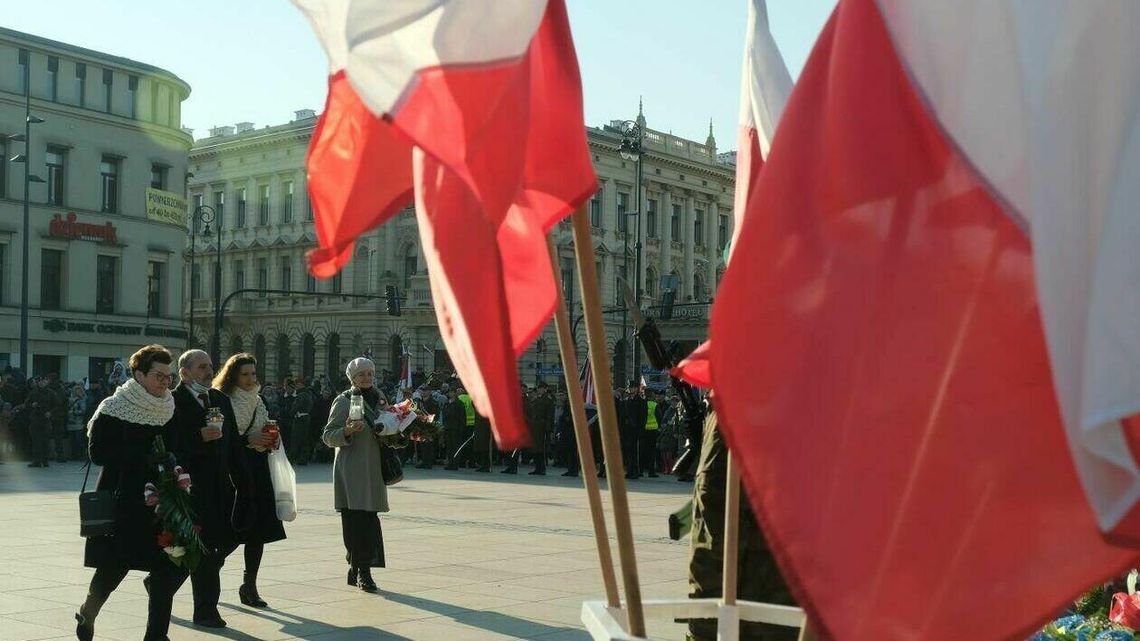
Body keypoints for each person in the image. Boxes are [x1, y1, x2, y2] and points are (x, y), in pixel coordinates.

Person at [75, 344, 184, 641]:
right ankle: (89, 611)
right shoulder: (112, 408)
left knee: (169, 565)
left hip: (162, 500)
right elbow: (97, 452)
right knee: (115, 566)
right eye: (159, 376)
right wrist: (143, 456)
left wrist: (174, 465)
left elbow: (177, 447)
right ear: (139, 374)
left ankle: (156, 636)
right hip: (123, 498)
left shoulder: (170, 407)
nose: (165, 382)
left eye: (168, 376)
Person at [688, 409, 795, 641]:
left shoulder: (735, 414)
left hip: (755, 612)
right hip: (806, 611)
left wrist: (704, 627)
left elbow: (715, 537)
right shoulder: (829, 409)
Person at [169, 349, 250, 629]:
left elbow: (234, 445)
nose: (208, 371)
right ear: (184, 372)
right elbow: (168, 444)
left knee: (226, 541)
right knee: (205, 551)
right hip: (190, 490)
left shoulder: (219, 399)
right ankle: (205, 612)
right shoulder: (172, 401)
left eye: (210, 366)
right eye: (201, 366)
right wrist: (197, 437)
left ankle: (164, 580)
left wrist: (244, 481)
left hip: (221, 488)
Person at [212, 353, 286, 609]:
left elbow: (265, 428)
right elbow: (219, 439)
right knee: (232, 530)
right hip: (233, 471)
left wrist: (270, 440)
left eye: (253, 374)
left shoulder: (259, 399)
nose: (250, 379)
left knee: (258, 532)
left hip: (258, 468)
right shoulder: (221, 400)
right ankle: (206, 569)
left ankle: (249, 585)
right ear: (232, 375)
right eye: (245, 374)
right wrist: (247, 441)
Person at [322, 357, 389, 593]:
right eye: (361, 374)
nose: (367, 378)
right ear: (352, 378)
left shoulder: (380, 399)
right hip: (351, 469)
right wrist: (347, 431)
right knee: (355, 520)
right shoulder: (343, 400)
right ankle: (363, 572)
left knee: (369, 520)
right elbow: (329, 435)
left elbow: (389, 431)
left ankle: (356, 567)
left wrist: (402, 428)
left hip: (373, 467)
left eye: (370, 373)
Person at [528, 384, 554, 475]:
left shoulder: (548, 400)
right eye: (539, 389)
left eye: (541, 388)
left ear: (545, 389)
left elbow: (550, 415)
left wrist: (548, 428)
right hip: (534, 426)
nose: (539, 390)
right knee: (535, 449)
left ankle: (542, 468)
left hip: (542, 427)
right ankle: (537, 468)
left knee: (541, 449)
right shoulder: (535, 399)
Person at [442, 388, 468, 470]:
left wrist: (461, 429)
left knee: (455, 446)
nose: (450, 394)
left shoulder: (459, 404)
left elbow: (462, 417)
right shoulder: (446, 403)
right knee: (449, 446)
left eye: (452, 392)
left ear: (455, 393)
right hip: (448, 427)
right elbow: (444, 415)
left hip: (456, 428)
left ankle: (455, 464)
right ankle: (450, 463)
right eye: (449, 392)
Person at [290, 377, 314, 465]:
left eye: (297, 384)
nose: (296, 386)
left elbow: (295, 407)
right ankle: (303, 458)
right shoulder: (309, 394)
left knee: (295, 439)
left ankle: (293, 458)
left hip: (299, 419)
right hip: (306, 418)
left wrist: (292, 412)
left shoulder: (301, 395)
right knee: (304, 440)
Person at [641, 390, 661, 477]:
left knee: (643, 451)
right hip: (653, 430)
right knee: (652, 452)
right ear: (651, 396)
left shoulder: (642, 404)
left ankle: (640, 471)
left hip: (644, 430)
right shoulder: (654, 405)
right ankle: (651, 472)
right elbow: (659, 417)